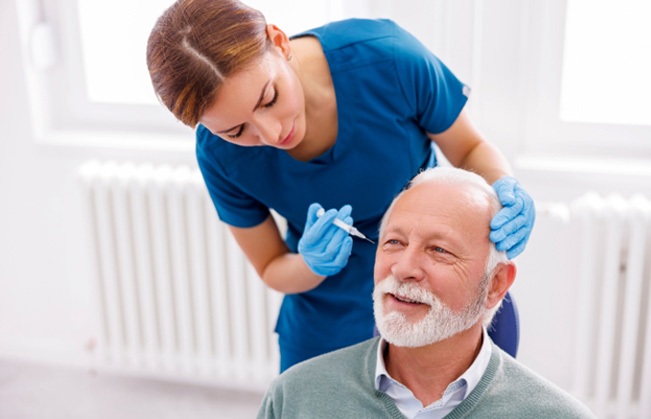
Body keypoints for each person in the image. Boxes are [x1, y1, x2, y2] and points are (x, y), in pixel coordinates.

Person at [146, 0, 536, 372]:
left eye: (270, 98)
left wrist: (505, 187)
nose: (271, 132)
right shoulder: (218, 155)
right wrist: (310, 264)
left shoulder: (388, 59)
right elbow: (270, 266)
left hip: (429, 291)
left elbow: (470, 148)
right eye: (236, 130)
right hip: (325, 313)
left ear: (279, 42)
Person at [256, 167, 595, 419]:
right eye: (393, 242)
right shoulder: (294, 399)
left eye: (439, 250)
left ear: (495, 285)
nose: (403, 268)